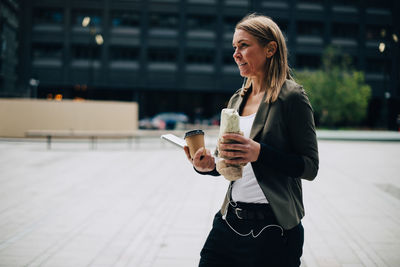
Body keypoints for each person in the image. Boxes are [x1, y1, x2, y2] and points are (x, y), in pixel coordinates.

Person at [184, 14, 319, 267]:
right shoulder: (237, 99)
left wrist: (260, 153)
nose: (236, 53)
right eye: (234, 47)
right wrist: (208, 166)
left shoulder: (292, 97)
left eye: (243, 45)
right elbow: (230, 163)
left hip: (274, 232)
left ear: (270, 49)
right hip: (229, 222)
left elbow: (310, 167)